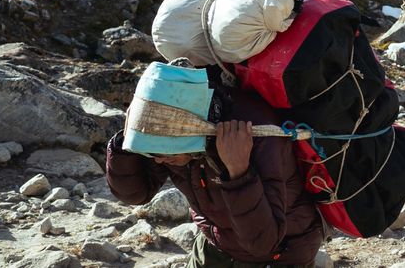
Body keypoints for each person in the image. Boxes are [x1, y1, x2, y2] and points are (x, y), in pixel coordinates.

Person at [105, 63, 323, 267]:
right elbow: (135, 195)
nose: (157, 160)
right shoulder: (172, 140)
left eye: (158, 153)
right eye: (148, 152)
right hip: (217, 246)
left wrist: (239, 173)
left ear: (187, 133)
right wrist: (126, 140)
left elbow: (262, 243)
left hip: (281, 254)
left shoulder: (258, 135)